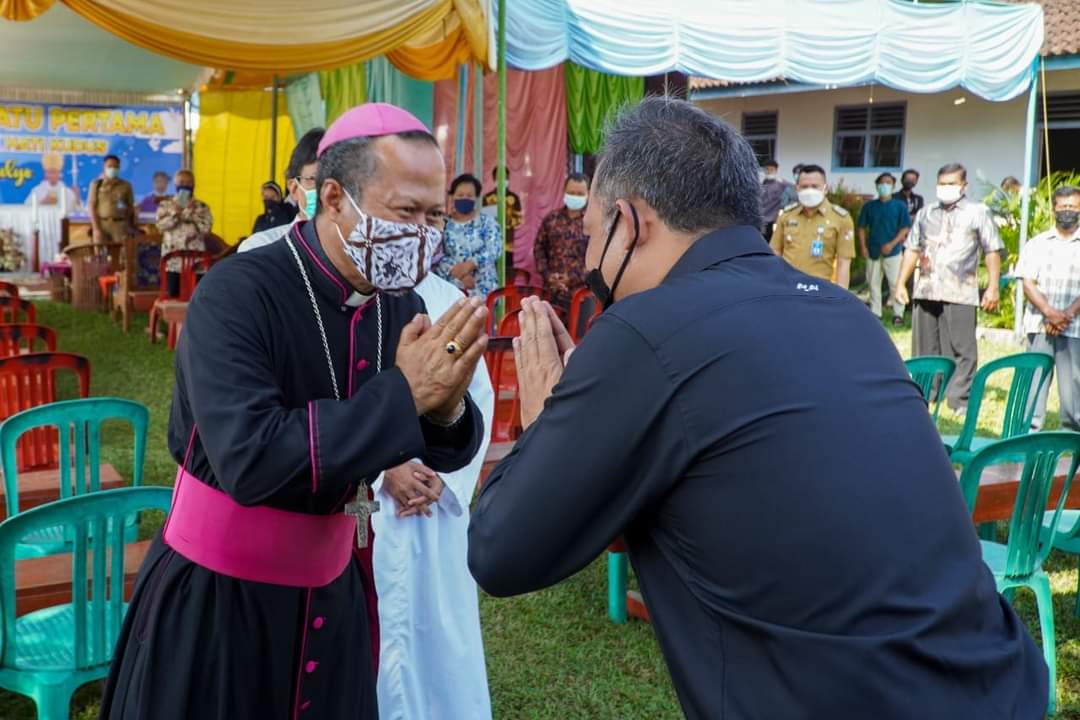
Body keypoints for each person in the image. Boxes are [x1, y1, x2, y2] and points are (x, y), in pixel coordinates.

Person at [467, 97, 1047, 720]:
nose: (586, 264)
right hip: (996, 682)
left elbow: (502, 552)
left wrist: (545, 424)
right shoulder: (845, 312)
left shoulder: (645, 329)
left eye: (590, 236)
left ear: (629, 223)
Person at [101, 103, 488, 720]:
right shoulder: (237, 291)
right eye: (405, 211)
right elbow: (249, 457)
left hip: (333, 598)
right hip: (219, 604)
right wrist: (408, 396)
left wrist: (444, 410)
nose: (424, 232)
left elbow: (434, 435)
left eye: (434, 214)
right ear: (333, 198)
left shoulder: (399, 302)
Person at [373, 246, 495, 719]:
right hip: (371, 507)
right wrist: (383, 467)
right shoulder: (344, 304)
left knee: (437, 637)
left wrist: (441, 481)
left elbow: (476, 402)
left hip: (433, 508)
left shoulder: (450, 303)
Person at [894, 163, 1003, 414]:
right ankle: (927, 393)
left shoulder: (978, 212)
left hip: (960, 290)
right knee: (924, 347)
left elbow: (992, 250)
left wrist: (993, 287)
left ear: (964, 186)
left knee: (961, 348)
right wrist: (901, 282)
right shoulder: (925, 213)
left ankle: (959, 399)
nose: (946, 188)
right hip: (927, 288)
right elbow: (912, 249)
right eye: (942, 183)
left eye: (952, 184)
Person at [1017, 185, 1080, 431]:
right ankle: (1028, 434)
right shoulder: (1037, 243)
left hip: (1075, 328)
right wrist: (1050, 313)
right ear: (1054, 208)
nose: (1068, 211)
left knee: (1074, 384)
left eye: (1073, 207)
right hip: (1039, 324)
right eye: (1063, 206)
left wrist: (1067, 314)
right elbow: (1027, 282)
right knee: (1034, 380)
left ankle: (1073, 438)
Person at [240, 128, 326, 254]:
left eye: (339, 181)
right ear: (294, 188)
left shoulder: (359, 252)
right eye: (314, 180)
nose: (329, 192)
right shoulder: (261, 247)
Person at [770, 164, 855, 289]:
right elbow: (775, 252)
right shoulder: (787, 216)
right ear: (797, 189)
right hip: (788, 287)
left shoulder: (841, 218)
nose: (809, 190)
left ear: (825, 188)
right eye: (804, 187)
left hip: (821, 289)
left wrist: (840, 298)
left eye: (815, 186)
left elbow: (844, 262)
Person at [857, 172, 911, 325]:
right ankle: (875, 313)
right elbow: (861, 227)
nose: (884, 186)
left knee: (895, 283)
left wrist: (892, 244)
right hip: (872, 251)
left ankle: (898, 314)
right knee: (873, 283)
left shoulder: (899, 206)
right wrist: (863, 247)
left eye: (888, 183)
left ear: (893, 186)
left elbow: (905, 228)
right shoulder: (869, 206)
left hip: (893, 252)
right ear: (877, 185)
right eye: (882, 183)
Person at [437, 173, 502, 299]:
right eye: (460, 195)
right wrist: (460, 273)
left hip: (483, 287)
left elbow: (495, 249)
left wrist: (471, 264)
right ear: (452, 196)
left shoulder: (487, 222)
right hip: (451, 289)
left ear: (476, 198)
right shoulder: (443, 224)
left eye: (469, 195)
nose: (465, 198)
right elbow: (436, 254)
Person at [533, 172, 591, 311]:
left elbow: (599, 257)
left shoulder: (592, 221)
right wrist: (547, 275)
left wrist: (571, 278)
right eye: (571, 192)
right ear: (564, 191)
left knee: (581, 333)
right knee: (549, 332)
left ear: (588, 194)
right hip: (552, 293)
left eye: (579, 193)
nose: (575, 197)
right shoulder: (552, 219)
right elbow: (539, 248)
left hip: (582, 294)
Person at [155, 169, 213, 297]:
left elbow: (206, 229)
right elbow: (160, 226)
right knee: (174, 294)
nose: (185, 185)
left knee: (196, 296)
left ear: (194, 185)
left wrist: (191, 212)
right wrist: (176, 213)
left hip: (196, 260)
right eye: (181, 182)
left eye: (188, 183)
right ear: (175, 185)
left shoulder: (202, 207)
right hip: (172, 260)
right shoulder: (166, 205)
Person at [482, 166, 524, 276]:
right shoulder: (487, 198)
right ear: (493, 179)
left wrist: (506, 221)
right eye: (498, 177)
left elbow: (519, 219)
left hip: (508, 244)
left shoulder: (514, 198)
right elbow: (482, 219)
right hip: (490, 244)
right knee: (491, 273)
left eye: (504, 177)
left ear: (508, 178)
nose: (501, 180)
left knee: (507, 274)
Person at [88, 154, 136, 245]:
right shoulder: (96, 184)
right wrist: (96, 229)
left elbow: (130, 206)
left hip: (120, 226)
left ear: (119, 168)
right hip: (102, 224)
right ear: (104, 168)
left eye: (115, 167)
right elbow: (91, 207)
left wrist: (127, 223)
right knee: (100, 256)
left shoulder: (126, 185)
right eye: (109, 166)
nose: (112, 169)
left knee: (121, 255)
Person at [759, 159, 794, 241]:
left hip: (772, 220)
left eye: (772, 169)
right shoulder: (761, 183)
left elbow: (795, 188)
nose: (769, 171)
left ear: (776, 170)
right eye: (767, 169)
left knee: (770, 241)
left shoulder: (781, 183)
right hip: (760, 219)